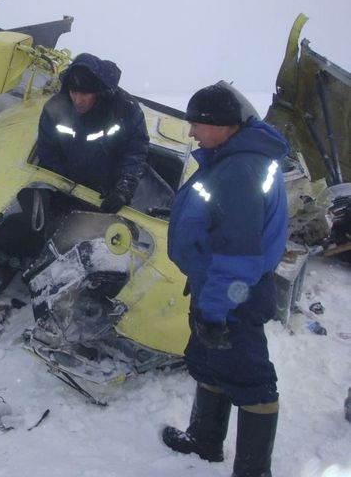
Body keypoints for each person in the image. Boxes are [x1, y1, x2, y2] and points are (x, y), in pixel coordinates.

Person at [162, 84, 289, 477]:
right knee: (210, 359)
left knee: (251, 377)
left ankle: (254, 471)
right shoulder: (230, 157)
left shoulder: (240, 171)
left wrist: (216, 309)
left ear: (223, 125)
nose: (191, 132)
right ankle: (205, 438)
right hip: (216, 284)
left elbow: (238, 255)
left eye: (197, 123)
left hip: (235, 293)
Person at [36, 52, 149, 213]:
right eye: (73, 92)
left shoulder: (126, 110)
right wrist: (62, 186)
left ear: (98, 91)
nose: (78, 100)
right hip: (64, 189)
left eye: (84, 94)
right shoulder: (54, 110)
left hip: (106, 194)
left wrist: (123, 190)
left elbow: (135, 152)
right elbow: (48, 152)